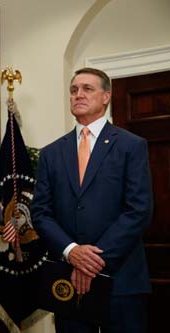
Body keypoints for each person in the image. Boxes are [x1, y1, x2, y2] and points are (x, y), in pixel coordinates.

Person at [31, 67, 152, 333]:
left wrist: (92, 262)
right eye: (74, 90)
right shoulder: (52, 153)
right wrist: (72, 251)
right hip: (68, 280)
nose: (78, 95)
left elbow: (138, 210)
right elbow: (40, 213)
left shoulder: (131, 146)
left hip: (122, 280)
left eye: (87, 88)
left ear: (106, 96)